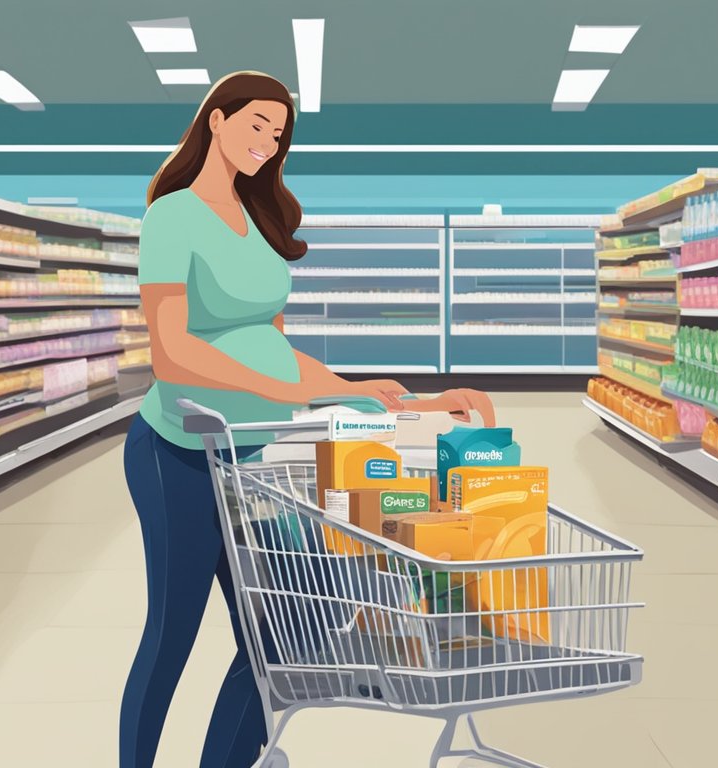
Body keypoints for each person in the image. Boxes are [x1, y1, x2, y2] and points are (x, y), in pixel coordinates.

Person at [121, 70, 496, 768]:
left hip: (250, 460)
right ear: (216, 120)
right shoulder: (172, 216)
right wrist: (280, 390)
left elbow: (275, 347)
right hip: (176, 453)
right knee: (171, 634)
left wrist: (362, 391)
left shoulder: (261, 223)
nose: (268, 140)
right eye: (257, 123)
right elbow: (172, 352)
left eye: (279, 131)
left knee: (281, 637)